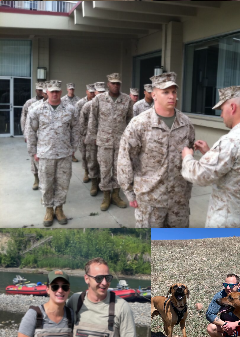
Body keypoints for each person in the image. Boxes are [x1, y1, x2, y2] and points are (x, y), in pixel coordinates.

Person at [181, 85, 240, 228]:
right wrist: (210, 153)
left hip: (228, 222)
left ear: (232, 107)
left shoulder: (231, 141)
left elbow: (200, 175)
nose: (221, 115)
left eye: (222, 110)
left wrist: (187, 157)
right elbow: (237, 170)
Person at [117, 72, 195, 228]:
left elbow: (189, 157)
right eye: (165, 92)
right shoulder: (140, 124)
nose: (171, 96)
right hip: (150, 200)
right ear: (154, 94)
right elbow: (125, 158)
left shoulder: (186, 123)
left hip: (178, 201)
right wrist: (129, 191)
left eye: (173, 92)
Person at [67, 257, 136, 337]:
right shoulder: (75, 300)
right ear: (87, 278)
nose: (104, 283)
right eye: (99, 278)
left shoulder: (121, 306)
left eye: (108, 278)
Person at [26, 79, 79, 227]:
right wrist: (33, 152)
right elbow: (31, 132)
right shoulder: (36, 109)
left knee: (63, 183)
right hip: (45, 154)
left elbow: (76, 129)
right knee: (46, 183)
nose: (54, 94)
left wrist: (73, 148)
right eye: (52, 91)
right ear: (46, 92)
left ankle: (59, 209)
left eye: (57, 91)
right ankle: (49, 210)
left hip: (64, 154)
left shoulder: (70, 109)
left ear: (61, 92)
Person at [86, 73, 133, 212]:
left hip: (121, 142)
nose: (116, 85)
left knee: (119, 170)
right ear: (108, 84)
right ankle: (106, 196)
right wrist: (92, 136)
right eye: (113, 83)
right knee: (105, 169)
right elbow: (93, 119)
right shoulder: (99, 99)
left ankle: (116, 195)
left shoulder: (127, 100)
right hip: (103, 141)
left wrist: (130, 139)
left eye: (118, 83)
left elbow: (131, 120)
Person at [20, 81, 45, 190]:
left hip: (45, 137)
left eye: (43, 90)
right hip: (33, 135)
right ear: (36, 90)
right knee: (33, 158)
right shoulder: (30, 103)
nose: (41, 92)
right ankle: (36, 179)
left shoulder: (48, 103)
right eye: (39, 90)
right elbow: (23, 118)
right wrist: (26, 134)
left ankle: (45, 180)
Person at [62, 83, 81, 163]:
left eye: (72, 89)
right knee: (65, 139)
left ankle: (72, 155)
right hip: (66, 123)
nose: (71, 90)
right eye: (70, 89)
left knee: (74, 139)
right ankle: (65, 155)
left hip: (75, 123)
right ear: (67, 89)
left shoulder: (78, 100)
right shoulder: (62, 100)